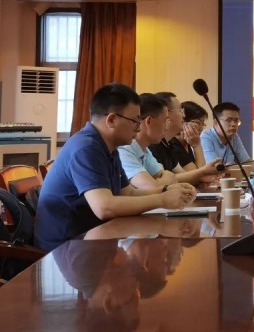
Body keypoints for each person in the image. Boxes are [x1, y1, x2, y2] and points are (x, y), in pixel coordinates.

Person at [35, 83, 197, 251]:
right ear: (112, 119)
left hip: (91, 239)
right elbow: (104, 207)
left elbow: (128, 193)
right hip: (64, 248)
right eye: (135, 121)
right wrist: (162, 200)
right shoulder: (86, 147)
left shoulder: (109, 147)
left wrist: (165, 190)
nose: (139, 128)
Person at [149, 92, 222, 184]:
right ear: (166, 113)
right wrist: (197, 145)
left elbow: (188, 176)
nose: (183, 116)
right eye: (180, 110)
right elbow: (162, 181)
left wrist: (203, 176)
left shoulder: (167, 144)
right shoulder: (154, 144)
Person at [118, 93, 178, 189]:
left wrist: (161, 181)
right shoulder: (124, 148)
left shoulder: (144, 149)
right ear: (149, 121)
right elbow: (152, 187)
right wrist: (161, 181)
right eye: (164, 121)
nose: (166, 128)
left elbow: (171, 177)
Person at [200, 102, 252, 166]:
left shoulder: (234, 136)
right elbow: (214, 168)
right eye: (228, 120)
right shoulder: (205, 137)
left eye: (236, 120)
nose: (233, 124)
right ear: (216, 123)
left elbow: (247, 162)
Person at [167, 101, 209, 170]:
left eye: (203, 124)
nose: (201, 128)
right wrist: (197, 145)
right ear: (183, 121)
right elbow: (199, 172)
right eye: (198, 123)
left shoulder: (187, 142)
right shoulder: (174, 145)